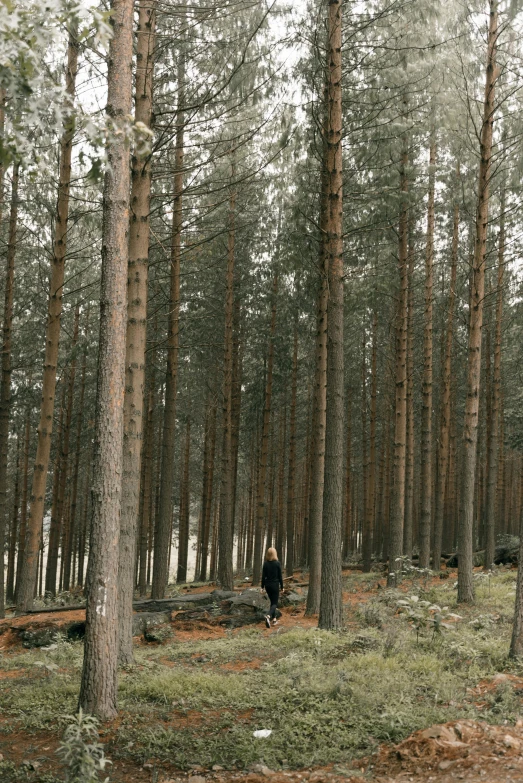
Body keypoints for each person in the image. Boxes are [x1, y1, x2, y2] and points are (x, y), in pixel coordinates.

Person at [261, 547, 283, 628]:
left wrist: (262, 587)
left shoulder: (265, 563)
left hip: (267, 585)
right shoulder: (277, 563)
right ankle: (268, 616)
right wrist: (282, 587)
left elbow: (263, 577)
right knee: (275, 603)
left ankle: (274, 620)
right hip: (275, 585)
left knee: (272, 602)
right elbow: (280, 576)